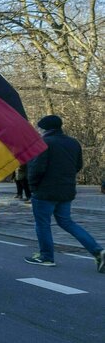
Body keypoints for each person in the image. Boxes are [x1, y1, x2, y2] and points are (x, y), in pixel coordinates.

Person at [24, 115, 105, 272]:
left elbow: (36, 169)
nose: (38, 130)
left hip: (45, 192)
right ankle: (98, 250)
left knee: (43, 224)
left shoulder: (44, 143)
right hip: (66, 191)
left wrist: (33, 187)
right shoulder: (73, 143)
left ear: (45, 128)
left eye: (39, 127)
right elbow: (78, 165)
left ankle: (46, 256)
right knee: (67, 222)